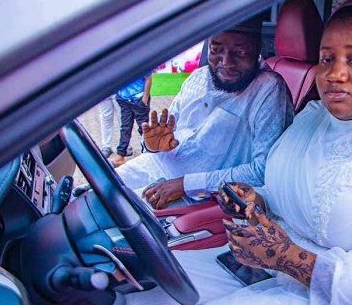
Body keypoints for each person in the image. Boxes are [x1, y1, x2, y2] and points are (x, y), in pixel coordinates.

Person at [88, 0, 352, 305]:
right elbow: (280, 188)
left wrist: (290, 259)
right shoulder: (312, 120)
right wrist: (256, 200)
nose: (335, 74)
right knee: (127, 300)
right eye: (327, 59)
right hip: (262, 268)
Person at [116, 16, 294, 208]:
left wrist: (187, 185)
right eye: (216, 50)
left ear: (257, 49)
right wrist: (153, 146)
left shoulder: (268, 89)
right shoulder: (198, 77)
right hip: (152, 164)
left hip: (198, 195)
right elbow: (166, 135)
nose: (226, 62)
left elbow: (262, 170)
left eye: (240, 52)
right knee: (96, 191)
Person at [112, 73, 152, 166]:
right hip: (124, 99)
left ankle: (150, 152)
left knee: (143, 127)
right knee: (125, 127)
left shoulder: (140, 61)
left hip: (139, 99)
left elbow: (148, 78)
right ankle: (120, 155)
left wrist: (145, 98)